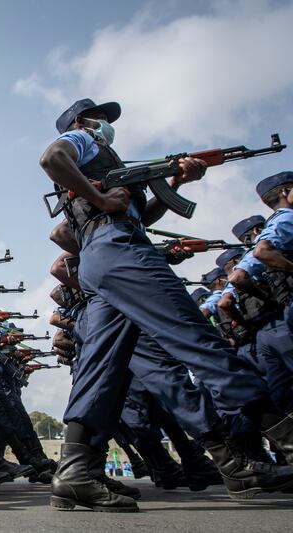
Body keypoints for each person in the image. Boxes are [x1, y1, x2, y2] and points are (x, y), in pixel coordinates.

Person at [39, 98, 293, 512]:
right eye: (100, 119)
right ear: (85, 122)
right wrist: (101, 201)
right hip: (117, 249)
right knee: (194, 336)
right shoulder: (82, 141)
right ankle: (283, 436)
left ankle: (75, 473)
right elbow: (52, 158)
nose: (107, 124)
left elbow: (140, 216)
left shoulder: (107, 161)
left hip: (105, 256)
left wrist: (174, 184)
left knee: (101, 370)